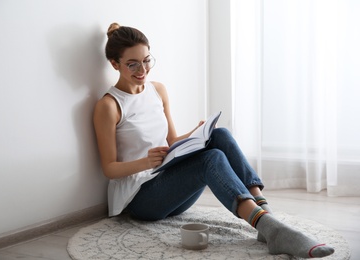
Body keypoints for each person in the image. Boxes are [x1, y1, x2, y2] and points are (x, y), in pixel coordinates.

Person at [93, 22, 335, 258]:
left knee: (219, 135)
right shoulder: (109, 105)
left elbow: (173, 140)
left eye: (146, 61)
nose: (142, 70)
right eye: (132, 64)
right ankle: (270, 227)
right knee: (212, 159)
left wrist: (198, 134)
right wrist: (146, 162)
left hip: (170, 187)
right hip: (142, 199)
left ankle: (266, 218)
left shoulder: (157, 90)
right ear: (115, 64)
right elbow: (109, 169)